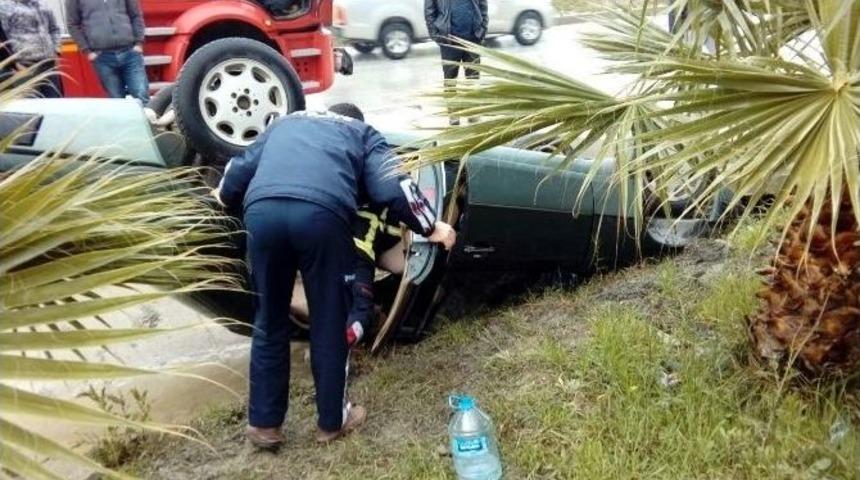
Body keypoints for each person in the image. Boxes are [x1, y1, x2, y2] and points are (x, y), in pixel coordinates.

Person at [214, 103, 457, 449]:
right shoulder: (363, 134)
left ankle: (265, 425)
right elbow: (392, 186)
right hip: (321, 215)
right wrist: (431, 226)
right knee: (329, 321)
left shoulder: (285, 123)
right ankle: (332, 421)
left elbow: (236, 171)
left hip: (262, 214)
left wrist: (223, 197)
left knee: (269, 319)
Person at [65, 0, 149, 103]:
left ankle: (147, 118)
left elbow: (136, 16)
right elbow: (72, 25)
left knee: (141, 95)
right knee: (117, 100)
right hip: (102, 57)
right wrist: (87, 51)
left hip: (130, 53)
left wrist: (139, 43)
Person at [424, 0, 488, 125]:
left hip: (472, 39)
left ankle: (473, 114)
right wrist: (436, 36)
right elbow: (429, 12)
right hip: (449, 40)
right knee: (450, 81)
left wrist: (482, 30)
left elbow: (483, 7)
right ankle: (454, 116)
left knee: (473, 80)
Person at [0, 0, 63, 98]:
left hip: (48, 63)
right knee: (31, 105)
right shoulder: (4, 8)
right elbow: (3, 39)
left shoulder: (42, 5)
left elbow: (54, 29)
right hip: (24, 66)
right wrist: (14, 64)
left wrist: (56, 50)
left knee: (54, 100)